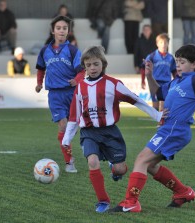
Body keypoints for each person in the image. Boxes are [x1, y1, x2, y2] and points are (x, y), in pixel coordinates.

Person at [108, 44, 195, 213]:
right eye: (176, 61)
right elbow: (157, 92)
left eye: (182, 62)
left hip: (175, 130)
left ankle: (131, 202)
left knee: (141, 160)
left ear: (194, 64)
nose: (177, 65)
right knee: (149, 165)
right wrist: (149, 75)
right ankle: (183, 192)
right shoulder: (176, 81)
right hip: (166, 129)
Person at [61, 46, 166, 213]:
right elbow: (74, 115)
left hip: (110, 133)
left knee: (120, 169)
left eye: (96, 64)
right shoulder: (80, 87)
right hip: (89, 133)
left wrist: (157, 115)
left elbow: (136, 100)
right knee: (92, 162)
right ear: (84, 67)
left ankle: (114, 169)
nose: (92, 68)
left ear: (103, 64)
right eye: (88, 65)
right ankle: (103, 201)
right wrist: (67, 139)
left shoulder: (113, 84)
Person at [35, 15, 85, 173]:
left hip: (72, 93)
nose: (61, 31)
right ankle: (69, 161)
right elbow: (41, 68)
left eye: (64, 28)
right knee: (63, 126)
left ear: (68, 31)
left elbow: (82, 71)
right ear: (53, 31)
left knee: (73, 126)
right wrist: (39, 83)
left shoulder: (73, 50)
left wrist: (77, 79)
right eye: (58, 28)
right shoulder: (44, 50)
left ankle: (75, 142)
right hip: (55, 95)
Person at [143, 33, 176, 112]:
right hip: (155, 81)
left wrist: (177, 81)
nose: (163, 44)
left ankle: (162, 121)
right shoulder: (152, 56)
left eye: (165, 42)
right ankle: (157, 118)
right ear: (157, 44)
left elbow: (174, 71)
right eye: (161, 42)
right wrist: (143, 80)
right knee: (155, 104)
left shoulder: (171, 57)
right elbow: (144, 69)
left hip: (166, 82)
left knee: (164, 103)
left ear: (168, 43)